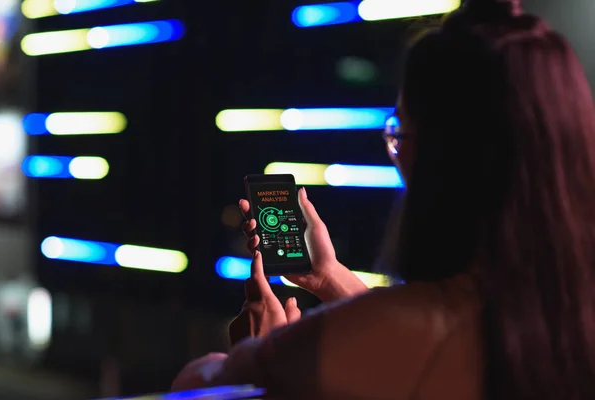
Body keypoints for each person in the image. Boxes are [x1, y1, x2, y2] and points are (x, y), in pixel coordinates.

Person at [173, 0, 595, 398]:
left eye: (399, 134)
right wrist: (330, 277)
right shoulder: (565, 316)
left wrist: (266, 352)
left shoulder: (389, 335)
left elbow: (194, 385)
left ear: (436, 158)